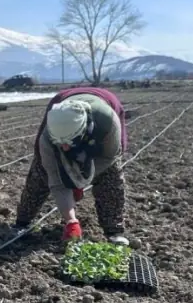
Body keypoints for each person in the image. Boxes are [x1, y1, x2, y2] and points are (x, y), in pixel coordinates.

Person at [14, 86, 129, 245]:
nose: (65, 148)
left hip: (105, 108)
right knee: (41, 171)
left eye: (69, 142)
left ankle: (114, 231)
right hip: (63, 101)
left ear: (83, 131)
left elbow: (108, 157)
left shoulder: (108, 124)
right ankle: (22, 221)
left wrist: (80, 178)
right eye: (60, 143)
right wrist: (71, 221)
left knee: (111, 175)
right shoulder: (47, 138)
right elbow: (56, 180)